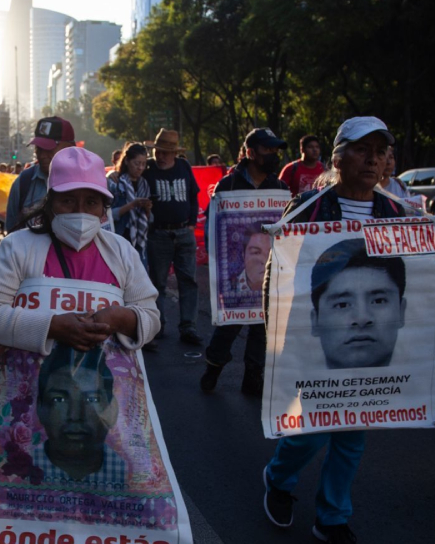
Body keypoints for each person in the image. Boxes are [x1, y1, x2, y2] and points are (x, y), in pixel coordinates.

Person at [0, 146, 159, 544]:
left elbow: (151, 316)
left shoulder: (120, 253)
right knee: (35, 501)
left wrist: (124, 317)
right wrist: (51, 326)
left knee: (83, 496)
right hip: (30, 410)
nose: (81, 215)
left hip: (97, 410)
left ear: (104, 206)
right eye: (69, 202)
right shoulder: (19, 249)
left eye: (91, 203)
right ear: (49, 202)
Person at [260, 116, 413, 544]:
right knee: (309, 432)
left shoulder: (395, 213)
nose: (372, 159)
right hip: (317, 343)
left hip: (366, 351)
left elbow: (416, 280)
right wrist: (277, 332)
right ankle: (278, 479)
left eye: (380, 151)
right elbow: (279, 272)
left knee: (351, 436)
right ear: (337, 158)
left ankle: (332, 518)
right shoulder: (308, 207)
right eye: (361, 149)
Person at [201, 128, 288, 394]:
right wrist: (217, 262)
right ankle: (213, 367)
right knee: (230, 323)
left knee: (262, 326)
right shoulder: (228, 186)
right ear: (250, 153)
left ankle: (253, 376)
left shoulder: (281, 188)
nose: (273, 155)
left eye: (275, 150)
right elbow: (212, 227)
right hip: (235, 271)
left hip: (268, 270)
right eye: (267, 150)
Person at [31, 346, 127, 488]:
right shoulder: (19, 468)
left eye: (92, 400)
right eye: (59, 400)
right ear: (40, 408)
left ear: (112, 409)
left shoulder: (129, 472)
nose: (75, 416)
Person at [143, 128, 202, 346]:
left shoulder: (184, 166)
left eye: (166, 152)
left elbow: (194, 196)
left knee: (188, 280)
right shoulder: (148, 168)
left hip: (183, 232)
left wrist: (191, 224)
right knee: (157, 282)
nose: (161, 156)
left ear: (175, 153)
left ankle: (189, 325)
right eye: (159, 151)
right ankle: (157, 325)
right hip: (158, 233)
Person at [309, 239, 406, 369]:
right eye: (342, 305)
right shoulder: (281, 389)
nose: (362, 319)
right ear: (315, 320)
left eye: (378, 301)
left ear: (401, 311)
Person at [7, 116, 76, 230]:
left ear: (70, 148)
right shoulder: (24, 182)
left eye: (49, 149)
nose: (42, 155)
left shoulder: (89, 182)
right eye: (39, 148)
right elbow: (11, 232)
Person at [106, 142, 152, 268]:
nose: (140, 168)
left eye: (143, 164)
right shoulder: (116, 183)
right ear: (127, 161)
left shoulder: (144, 185)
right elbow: (108, 215)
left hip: (139, 241)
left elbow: (148, 219)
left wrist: (147, 209)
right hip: (119, 238)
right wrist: (132, 205)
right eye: (137, 163)